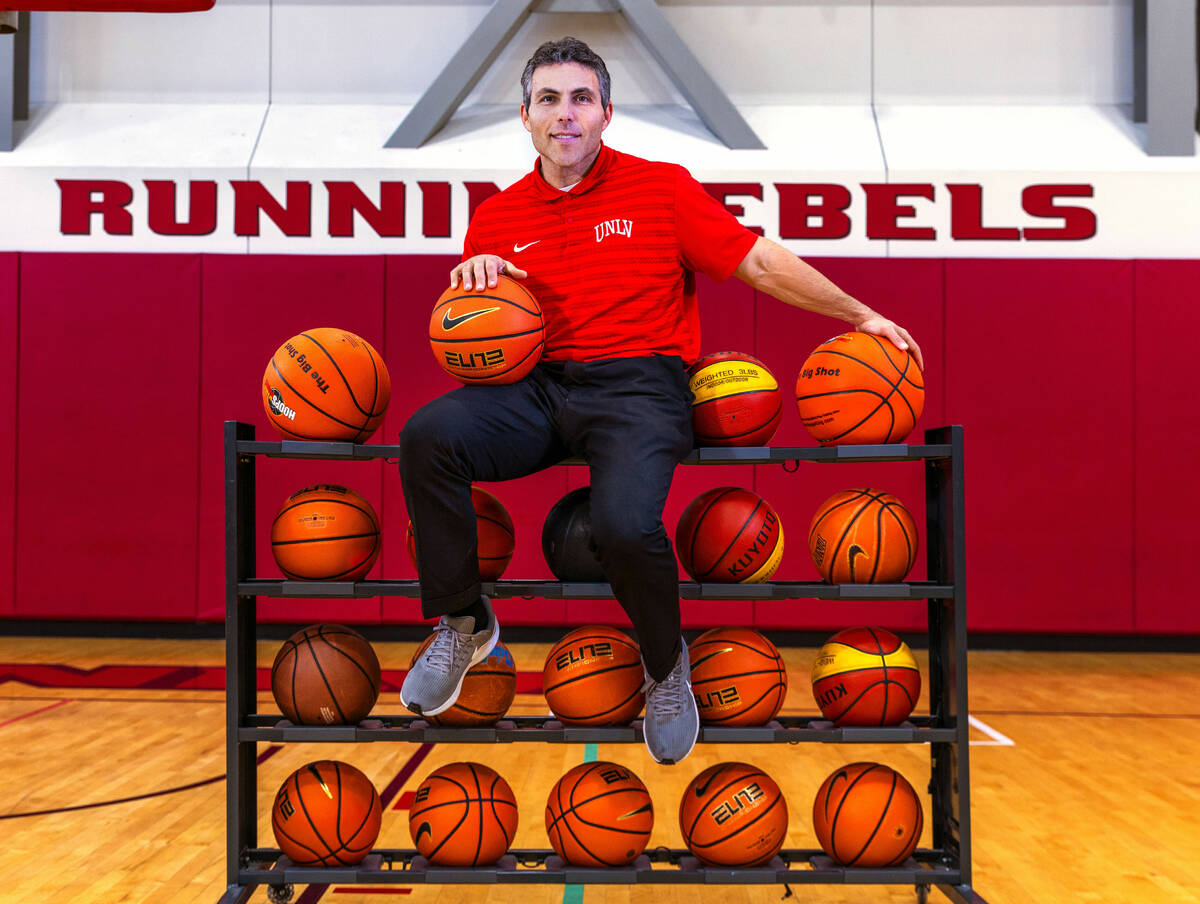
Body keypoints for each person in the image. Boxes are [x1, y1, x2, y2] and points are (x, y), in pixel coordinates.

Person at [399, 36, 923, 765]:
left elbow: (760, 260)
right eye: (548, 99)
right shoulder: (496, 216)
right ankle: (463, 622)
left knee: (622, 525)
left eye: (581, 98)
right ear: (525, 116)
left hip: (638, 387)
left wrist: (858, 313)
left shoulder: (662, 188)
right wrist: (471, 276)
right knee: (428, 436)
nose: (566, 114)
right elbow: (476, 334)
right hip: (540, 386)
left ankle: (664, 666)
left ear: (606, 112)